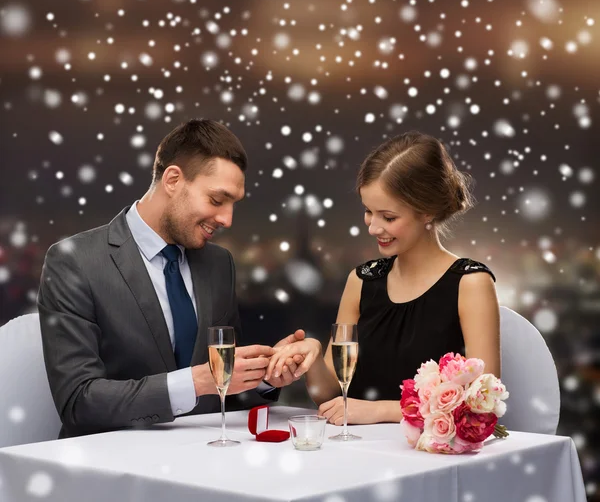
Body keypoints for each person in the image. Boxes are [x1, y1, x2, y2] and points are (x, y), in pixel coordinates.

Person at [38, 119, 304, 438]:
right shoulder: (74, 261)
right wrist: (197, 381)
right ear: (173, 179)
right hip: (113, 465)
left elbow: (224, 393)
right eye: (217, 200)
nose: (227, 219)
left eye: (233, 205)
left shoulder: (220, 264)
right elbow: (79, 403)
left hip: (211, 459)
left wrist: (263, 375)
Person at [266, 131, 500, 426]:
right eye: (368, 212)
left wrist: (379, 411)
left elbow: (482, 401)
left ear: (427, 211)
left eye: (388, 217)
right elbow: (329, 395)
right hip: (357, 453)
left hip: (431, 460)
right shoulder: (361, 281)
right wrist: (312, 355)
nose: (373, 227)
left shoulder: (471, 283)